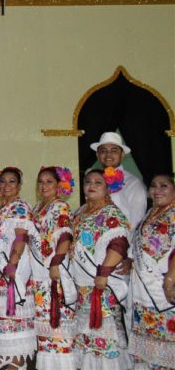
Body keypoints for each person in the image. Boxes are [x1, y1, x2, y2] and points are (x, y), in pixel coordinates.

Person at [71, 168, 132, 369]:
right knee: (87, 329)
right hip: (83, 283)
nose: (91, 186)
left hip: (101, 282)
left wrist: (104, 272)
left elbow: (119, 244)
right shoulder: (80, 212)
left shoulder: (111, 213)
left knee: (103, 329)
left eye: (98, 182)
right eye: (88, 181)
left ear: (108, 188)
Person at [0, 167, 36, 370]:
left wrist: (13, 262)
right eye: (3, 181)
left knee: (15, 310)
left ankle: (18, 359)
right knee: (0, 310)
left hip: (14, 265)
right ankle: (3, 355)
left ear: (19, 185)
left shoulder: (20, 207)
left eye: (11, 181)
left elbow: (21, 237)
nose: (6, 186)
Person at [30, 167, 76, 370]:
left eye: (49, 181)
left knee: (58, 322)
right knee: (44, 324)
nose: (44, 185)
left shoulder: (60, 207)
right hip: (38, 275)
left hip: (53, 272)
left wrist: (57, 263)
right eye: (41, 181)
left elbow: (65, 235)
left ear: (58, 185)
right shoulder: (37, 208)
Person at [128, 172, 175, 369]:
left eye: (164, 186)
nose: (157, 190)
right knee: (147, 349)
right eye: (153, 186)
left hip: (164, 290)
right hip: (143, 293)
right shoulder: (150, 213)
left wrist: (171, 279)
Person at [91, 132, 147, 230]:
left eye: (114, 151)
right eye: (103, 151)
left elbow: (136, 221)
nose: (108, 154)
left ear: (122, 154)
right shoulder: (92, 181)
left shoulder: (133, 183)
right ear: (97, 155)